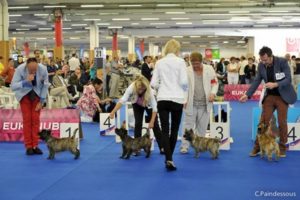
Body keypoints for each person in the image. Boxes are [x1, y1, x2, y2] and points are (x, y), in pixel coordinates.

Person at [240, 46, 297, 158]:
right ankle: (257, 147)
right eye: (262, 60)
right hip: (269, 96)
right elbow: (256, 81)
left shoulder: (282, 62)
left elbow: (288, 79)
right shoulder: (261, 65)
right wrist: (247, 94)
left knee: (282, 122)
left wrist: (275, 84)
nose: (264, 62)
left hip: (282, 96)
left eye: (266, 60)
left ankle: (282, 147)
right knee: (263, 122)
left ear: (271, 56)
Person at [151, 39, 188, 171]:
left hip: (163, 98)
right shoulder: (181, 62)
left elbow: (153, 83)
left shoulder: (159, 63)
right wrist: (183, 90)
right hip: (177, 98)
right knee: (174, 130)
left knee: (165, 130)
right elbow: (184, 81)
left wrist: (162, 87)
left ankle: (169, 159)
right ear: (177, 49)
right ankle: (169, 158)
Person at [109, 75, 164, 154]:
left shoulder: (150, 91)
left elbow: (155, 109)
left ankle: (162, 147)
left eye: (143, 88)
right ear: (136, 86)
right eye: (139, 88)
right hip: (137, 103)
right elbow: (122, 101)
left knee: (155, 124)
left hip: (147, 103)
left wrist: (151, 122)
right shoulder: (131, 88)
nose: (141, 90)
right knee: (138, 123)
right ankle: (136, 148)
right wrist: (113, 112)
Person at [180, 51, 218, 153]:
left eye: (197, 63)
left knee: (202, 126)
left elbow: (215, 83)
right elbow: (183, 87)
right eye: (193, 63)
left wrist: (213, 93)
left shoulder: (209, 69)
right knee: (188, 126)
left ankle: (199, 146)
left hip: (205, 103)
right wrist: (184, 99)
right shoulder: (187, 70)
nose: (195, 66)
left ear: (202, 61)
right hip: (191, 103)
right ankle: (184, 147)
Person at [11, 57, 49, 155]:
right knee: (27, 120)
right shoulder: (20, 69)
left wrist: (41, 101)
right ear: (26, 66)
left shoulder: (43, 69)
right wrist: (24, 82)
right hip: (24, 96)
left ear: (37, 65)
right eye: (31, 69)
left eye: (35, 69)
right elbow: (13, 86)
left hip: (37, 95)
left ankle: (35, 145)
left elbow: (45, 85)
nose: (33, 70)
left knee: (36, 120)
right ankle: (28, 146)